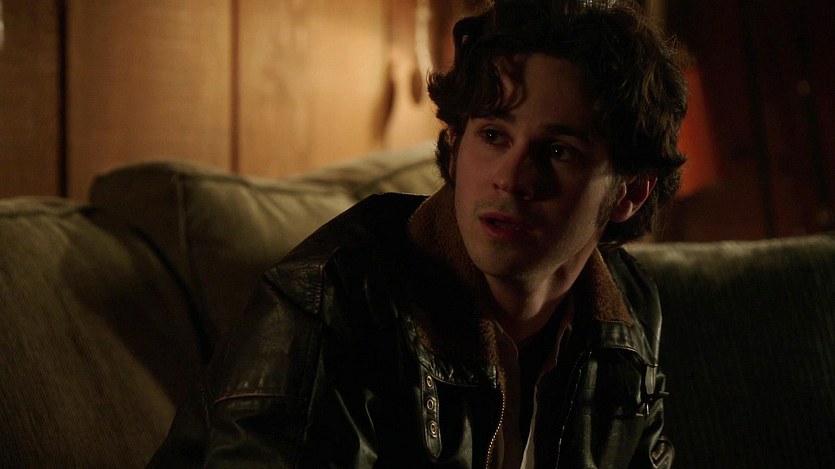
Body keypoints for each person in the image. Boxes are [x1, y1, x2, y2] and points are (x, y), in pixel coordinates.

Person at [149, 0, 687, 467]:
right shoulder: (331, 303)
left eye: (558, 150)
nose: (512, 178)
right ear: (454, 145)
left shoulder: (628, 313)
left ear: (631, 192)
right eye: (494, 135)